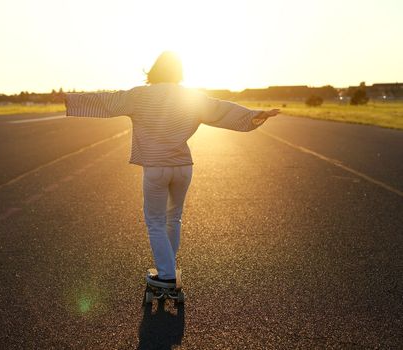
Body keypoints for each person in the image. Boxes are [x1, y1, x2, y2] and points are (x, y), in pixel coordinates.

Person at [64, 52, 279, 287]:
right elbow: (222, 109)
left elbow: (108, 101)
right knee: (173, 218)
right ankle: (168, 266)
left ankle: (166, 274)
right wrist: (255, 116)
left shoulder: (139, 95)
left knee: (155, 221)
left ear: (154, 70)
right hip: (183, 166)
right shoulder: (191, 97)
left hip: (156, 167)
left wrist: (71, 99)